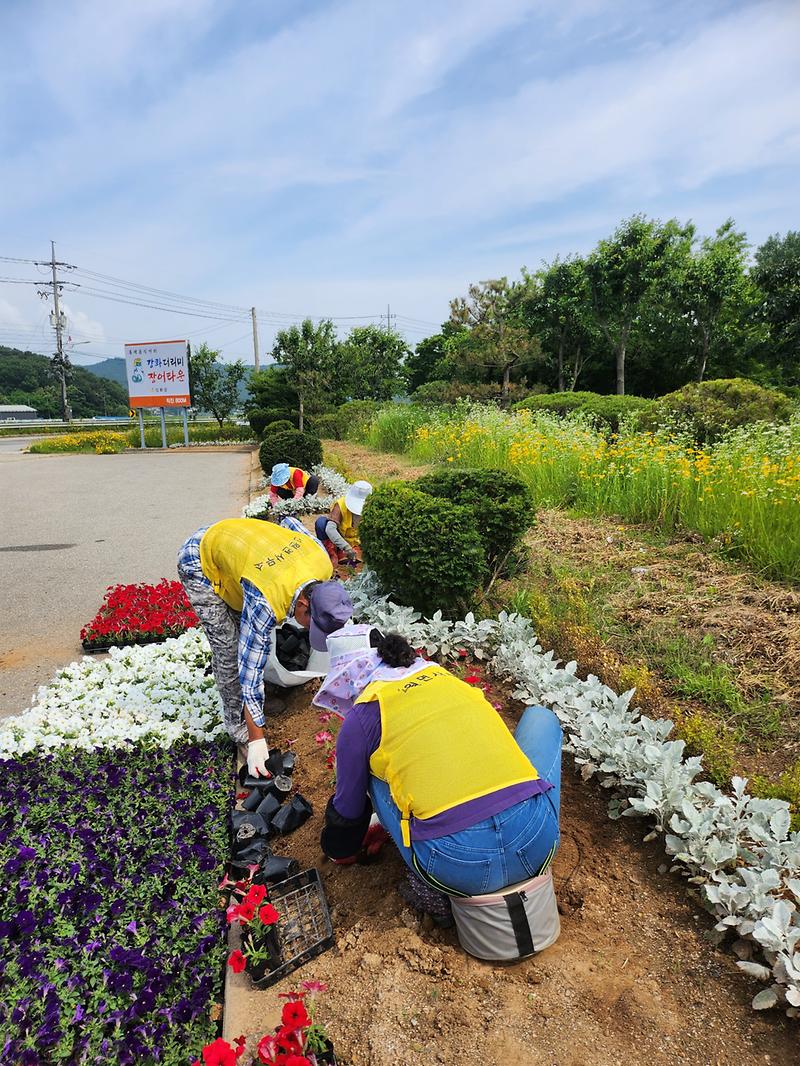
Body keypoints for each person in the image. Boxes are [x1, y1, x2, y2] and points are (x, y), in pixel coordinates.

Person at [315, 628, 561, 903]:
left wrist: (339, 849)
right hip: (537, 842)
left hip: (454, 867)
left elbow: (347, 811)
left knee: (371, 769)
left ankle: (432, 893)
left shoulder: (363, 716)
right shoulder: (446, 678)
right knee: (540, 718)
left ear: (349, 677)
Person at [177, 516, 352, 778]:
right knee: (229, 649)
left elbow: (290, 522)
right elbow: (249, 667)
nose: (307, 631)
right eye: (311, 625)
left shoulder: (321, 562)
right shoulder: (265, 600)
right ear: (303, 604)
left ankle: (253, 707)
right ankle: (238, 728)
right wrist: (256, 739)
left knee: (247, 631)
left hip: (246, 545)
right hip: (202, 559)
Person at [314, 480, 372, 566]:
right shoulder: (341, 504)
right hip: (339, 540)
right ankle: (332, 553)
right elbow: (330, 529)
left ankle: (355, 553)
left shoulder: (373, 507)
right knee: (321, 523)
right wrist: (346, 547)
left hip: (358, 543)